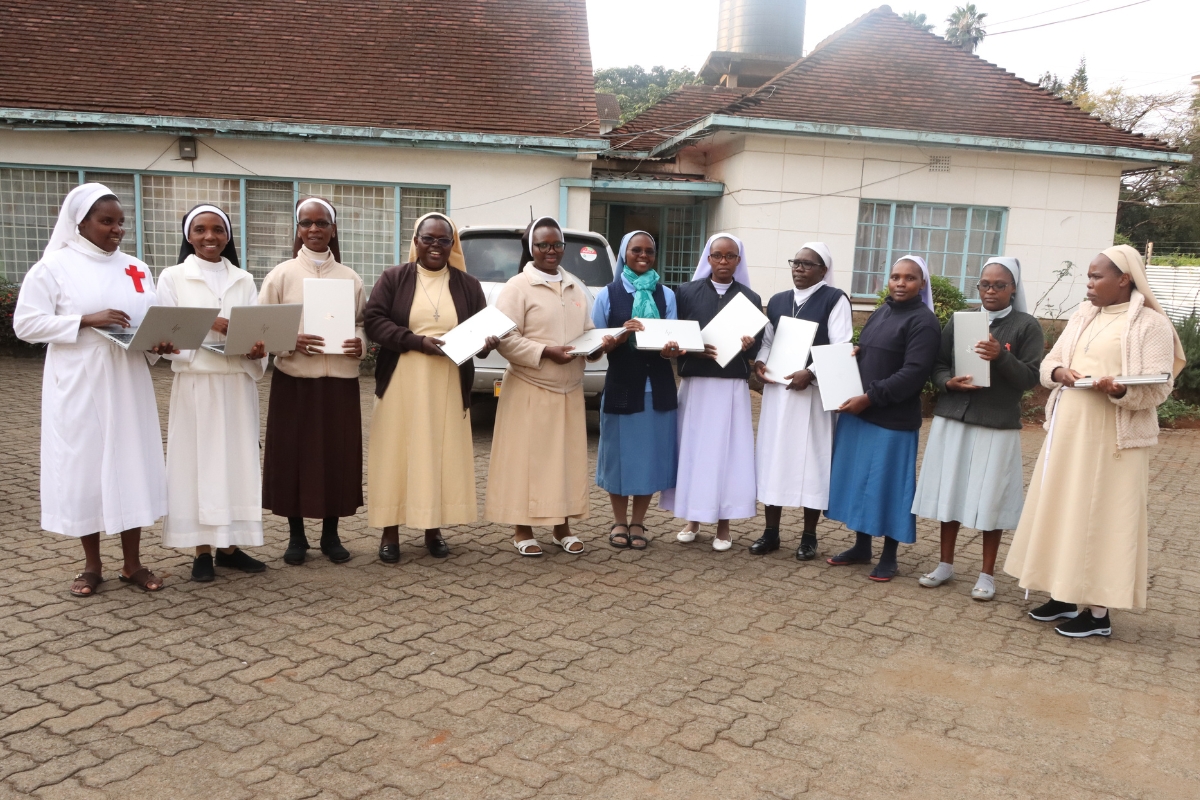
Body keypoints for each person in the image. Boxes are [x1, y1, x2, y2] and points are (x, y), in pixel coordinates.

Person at [1005, 245, 1184, 637]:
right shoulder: (1084, 314)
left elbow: (1160, 386)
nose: (1089, 284)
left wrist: (1119, 391)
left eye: (1096, 276)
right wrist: (1061, 372)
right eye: (1088, 276)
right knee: (1065, 509)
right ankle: (1064, 594)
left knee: (1102, 518)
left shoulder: (1150, 325)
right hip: (1070, 433)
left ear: (1124, 279)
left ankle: (1099, 615)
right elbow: (1048, 362)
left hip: (1112, 438)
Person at [14, 183, 175, 596]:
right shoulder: (53, 267)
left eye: (120, 222)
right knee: (86, 467)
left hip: (127, 380)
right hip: (79, 382)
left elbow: (149, 319)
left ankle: (133, 563)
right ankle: (91, 565)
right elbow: (26, 325)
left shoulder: (134, 267)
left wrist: (159, 344)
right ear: (80, 223)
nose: (116, 229)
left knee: (130, 464)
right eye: (107, 222)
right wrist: (86, 320)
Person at [364, 212, 497, 563]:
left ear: (452, 245)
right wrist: (415, 341)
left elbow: (481, 329)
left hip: (447, 383)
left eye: (443, 240)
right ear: (416, 241)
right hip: (402, 380)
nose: (436, 246)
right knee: (395, 453)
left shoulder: (468, 284)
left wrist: (486, 343)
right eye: (429, 238)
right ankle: (389, 531)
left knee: (439, 452)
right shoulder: (394, 278)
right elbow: (374, 321)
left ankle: (432, 529)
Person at [913, 258, 1043, 600]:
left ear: (1014, 288)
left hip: (996, 423)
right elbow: (938, 365)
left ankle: (987, 574)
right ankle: (945, 564)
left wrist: (1001, 356)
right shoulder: (961, 320)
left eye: (999, 285)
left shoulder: (1026, 326)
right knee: (950, 490)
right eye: (984, 284)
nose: (990, 291)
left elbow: (1030, 378)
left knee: (991, 497)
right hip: (954, 416)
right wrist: (948, 383)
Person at [156, 204, 269, 582]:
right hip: (197, 384)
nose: (210, 237)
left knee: (236, 465)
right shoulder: (173, 277)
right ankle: (202, 550)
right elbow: (166, 330)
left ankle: (231, 548)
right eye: (201, 230)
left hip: (236, 384)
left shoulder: (243, 278)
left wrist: (258, 349)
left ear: (228, 235)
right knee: (197, 465)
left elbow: (258, 329)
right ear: (189, 236)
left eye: (218, 230)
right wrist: (210, 323)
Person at [259, 198, 367, 565]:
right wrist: (290, 341)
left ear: (333, 230)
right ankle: (296, 536)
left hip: (339, 382)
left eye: (322, 223)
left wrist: (360, 344)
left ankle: (331, 535)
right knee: (293, 457)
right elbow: (261, 329)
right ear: (298, 229)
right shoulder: (281, 275)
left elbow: (361, 323)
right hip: (296, 381)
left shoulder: (350, 277)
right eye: (306, 223)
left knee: (336, 456)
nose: (315, 229)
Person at [825, 255, 941, 581]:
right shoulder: (883, 311)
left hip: (892, 420)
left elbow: (913, 374)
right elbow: (871, 348)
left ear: (922, 284)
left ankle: (889, 556)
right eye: (895, 277)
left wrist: (869, 397)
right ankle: (862, 546)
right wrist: (858, 354)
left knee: (889, 487)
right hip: (861, 413)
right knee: (860, 481)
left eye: (909, 278)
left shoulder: (924, 322)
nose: (900, 283)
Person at [484, 217, 594, 556]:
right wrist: (545, 351)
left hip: (568, 389)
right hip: (531, 386)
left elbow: (587, 329)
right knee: (526, 461)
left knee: (565, 461)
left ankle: (562, 527)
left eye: (557, 244)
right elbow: (505, 338)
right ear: (530, 248)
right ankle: (522, 529)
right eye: (543, 245)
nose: (551, 251)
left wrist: (598, 345)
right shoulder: (517, 287)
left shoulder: (576, 285)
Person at [751, 243, 852, 561]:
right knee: (774, 459)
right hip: (779, 395)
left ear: (824, 270)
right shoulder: (779, 300)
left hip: (812, 397)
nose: (799, 268)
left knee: (813, 463)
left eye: (808, 264)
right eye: (796, 262)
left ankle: (809, 537)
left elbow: (842, 344)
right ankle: (771, 533)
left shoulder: (835, 299)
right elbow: (767, 340)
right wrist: (761, 363)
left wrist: (810, 372)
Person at [662, 233, 761, 551]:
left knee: (727, 455)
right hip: (697, 386)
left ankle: (723, 525)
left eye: (730, 256)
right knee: (693, 453)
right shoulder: (686, 293)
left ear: (738, 261)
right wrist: (687, 349)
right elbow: (675, 337)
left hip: (730, 387)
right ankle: (692, 519)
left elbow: (756, 347)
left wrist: (749, 345)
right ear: (708, 258)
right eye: (717, 255)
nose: (723, 262)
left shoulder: (750, 298)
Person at [591, 231, 680, 550]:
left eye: (650, 251)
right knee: (619, 457)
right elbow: (594, 349)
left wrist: (671, 350)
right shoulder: (608, 295)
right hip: (621, 385)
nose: (643, 256)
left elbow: (671, 342)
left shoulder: (666, 296)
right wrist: (619, 334)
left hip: (656, 387)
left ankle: (639, 522)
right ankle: (618, 521)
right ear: (624, 254)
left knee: (649, 457)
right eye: (636, 250)